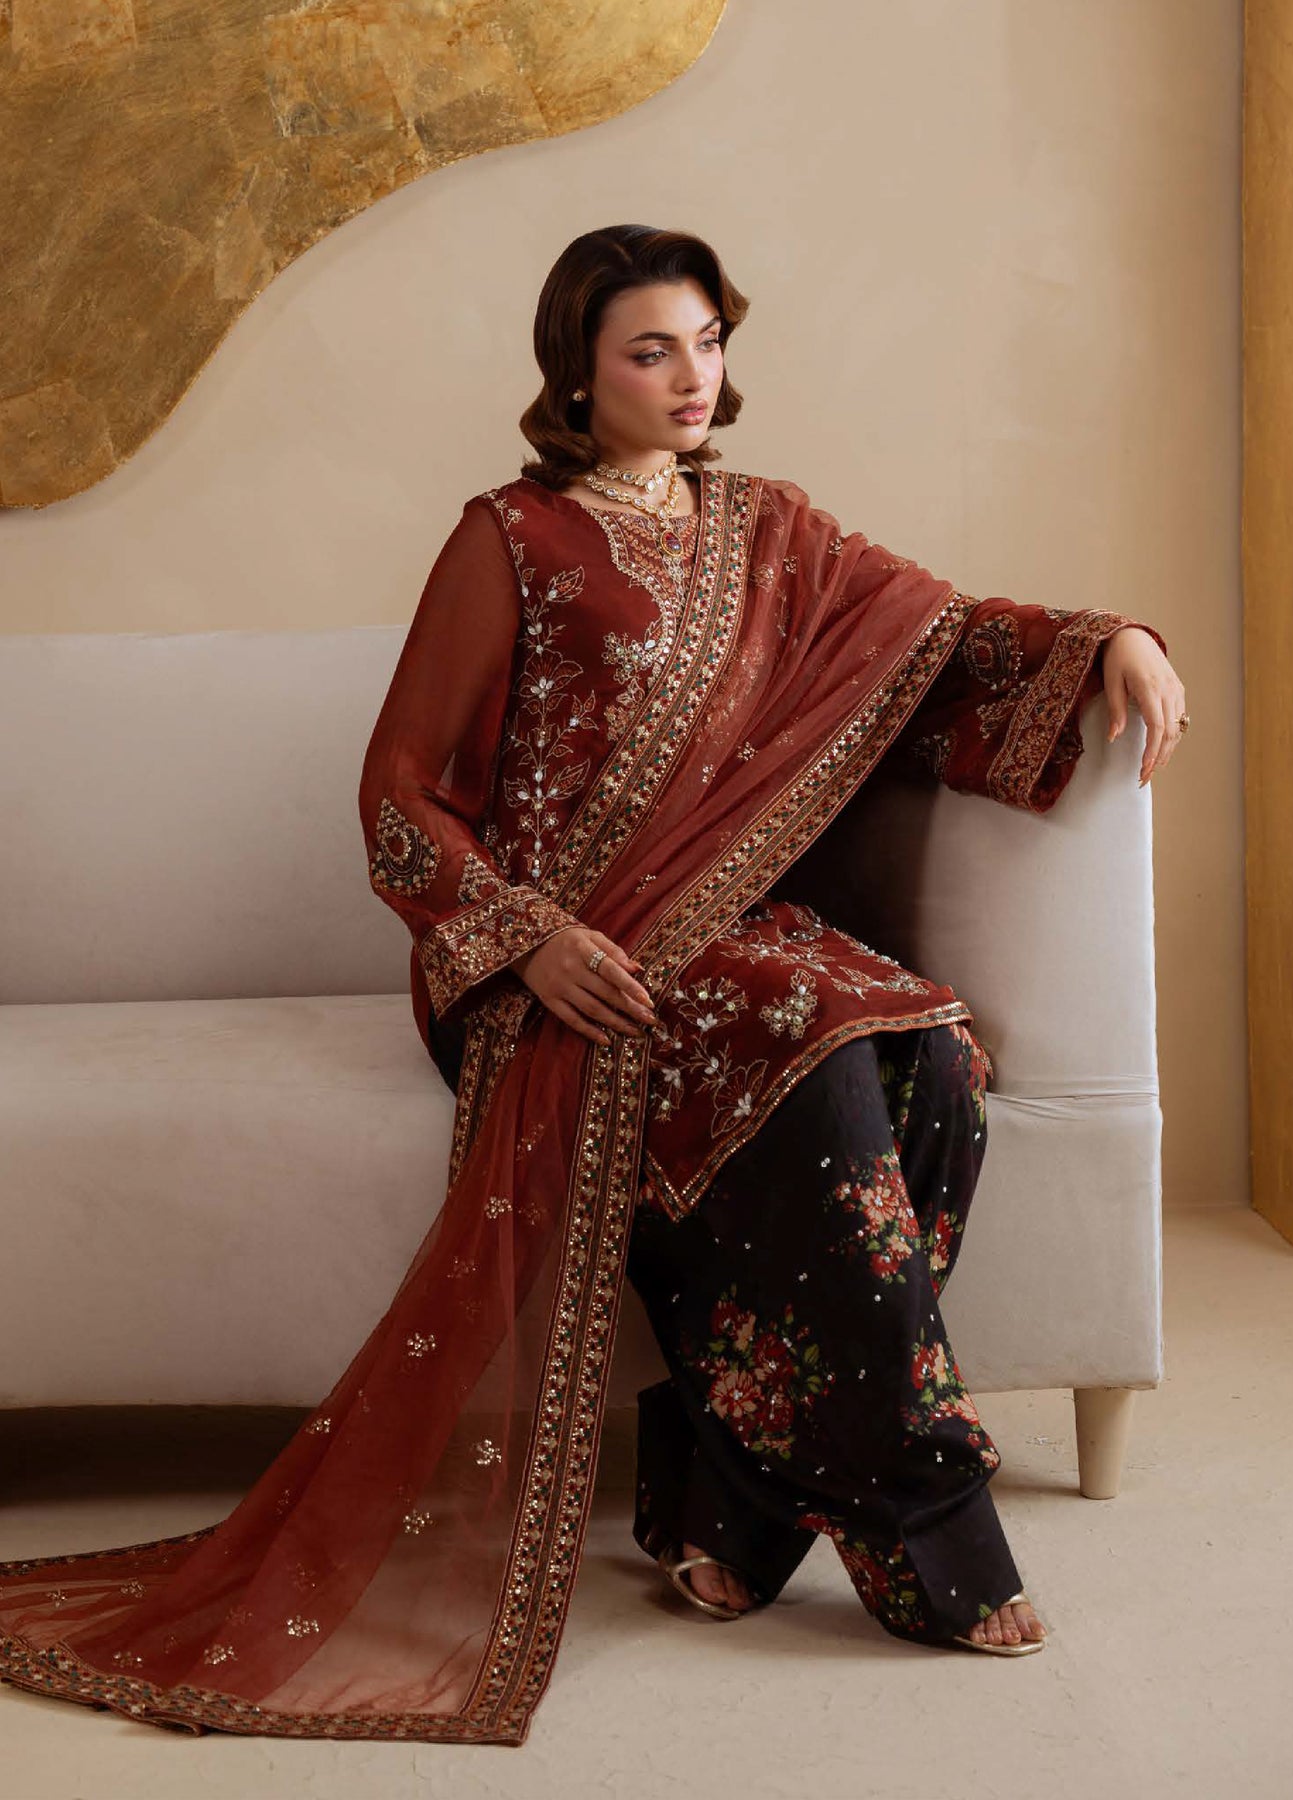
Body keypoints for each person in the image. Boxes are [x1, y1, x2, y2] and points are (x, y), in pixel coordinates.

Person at [0, 225, 1186, 1742]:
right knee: (818, 1052)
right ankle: (922, 1522)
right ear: (577, 372)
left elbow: (940, 640)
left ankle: (730, 1496)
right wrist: (527, 939)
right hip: (555, 957)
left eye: (708, 341)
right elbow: (400, 792)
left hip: (731, 929)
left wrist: (1109, 639)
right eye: (650, 350)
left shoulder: (770, 526)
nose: (691, 376)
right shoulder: (510, 536)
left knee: (934, 1058)